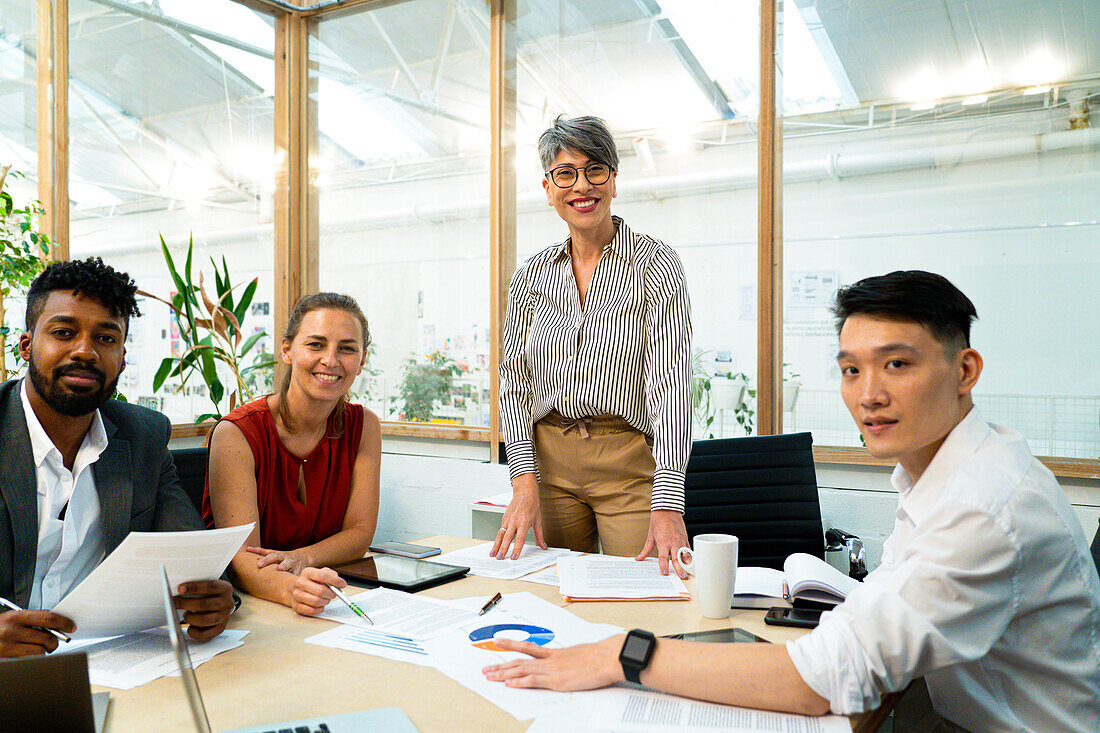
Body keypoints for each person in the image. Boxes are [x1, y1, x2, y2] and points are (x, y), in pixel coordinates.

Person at [483, 270, 1100, 731]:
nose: (870, 395)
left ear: (965, 371)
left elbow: (825, 682)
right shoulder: (952, 469)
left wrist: (625, 653)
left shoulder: (983, 504)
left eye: (898, 364)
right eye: (852, 370)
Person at [0, 258, 235, 658]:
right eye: (63, 332)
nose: (85, 351)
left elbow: (192, 557)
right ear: (26, 345)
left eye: (106, 339)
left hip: (110, 660)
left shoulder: (143, 436)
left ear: (123, 358)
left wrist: (214, 599)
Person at [494, 115, 692, 576]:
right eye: (565, 173)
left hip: (627, 462)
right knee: (549, 593)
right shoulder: (531, 274)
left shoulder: (655, 263)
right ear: (548, 188)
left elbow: (672, 386)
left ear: (614, 180)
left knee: (649, 595)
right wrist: (523, 479)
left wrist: (668, 502)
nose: (581, 185)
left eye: (594, 169)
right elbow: (513, 381)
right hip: (550, 463)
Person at [204, 292, 380, 616]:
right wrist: (292, 588)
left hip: (320, 600)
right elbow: (241, 556)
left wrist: (302, 559)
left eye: (347, 348)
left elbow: (359, 534)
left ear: (362, 358)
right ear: (287, 350)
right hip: (249, 609)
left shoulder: (365, 425)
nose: (331, 360)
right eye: (315, 345)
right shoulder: (236, 432)